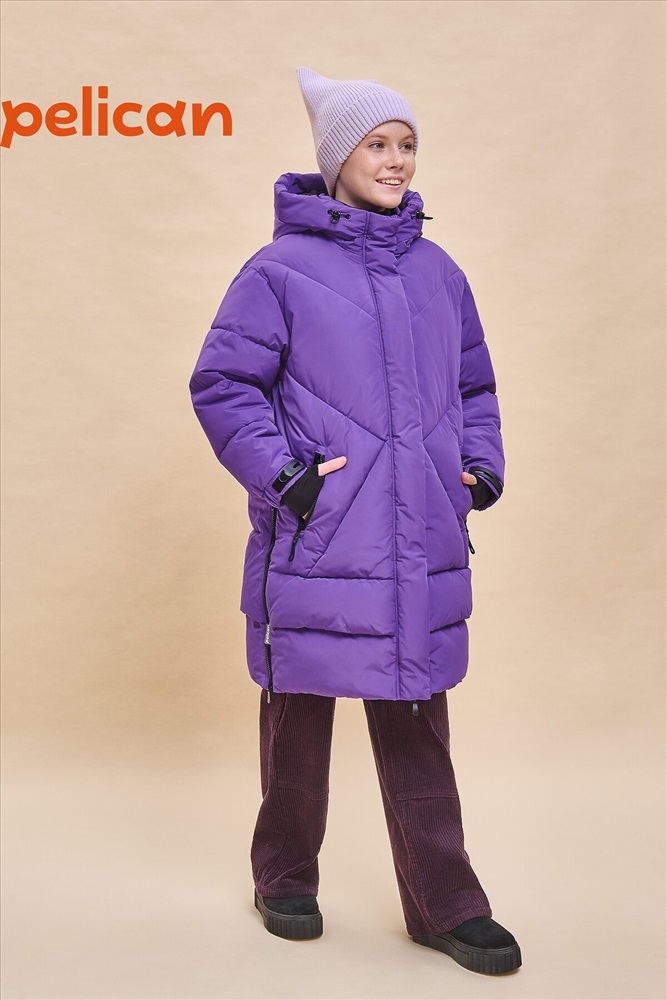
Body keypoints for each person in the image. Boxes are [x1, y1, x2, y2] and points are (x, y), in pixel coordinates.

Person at [189, 66, 521, 976]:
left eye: (406, 144)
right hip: (320, 535)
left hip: (418, 539)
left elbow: (474, 385)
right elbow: (223, 384)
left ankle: (445, 903)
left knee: (414, 714)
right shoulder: (279, 271)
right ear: (337, 158)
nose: (396, 160)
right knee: (298, 712)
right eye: (376, 144)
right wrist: (285, 477)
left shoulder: (438, 272)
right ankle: (284, 876)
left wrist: (476, 468)